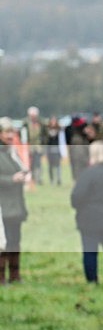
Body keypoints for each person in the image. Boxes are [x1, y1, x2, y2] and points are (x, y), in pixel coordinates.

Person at [70, 141, 103, 284]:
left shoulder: (88, 174)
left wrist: (78, 206)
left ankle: (92, 280)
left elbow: (77, 196)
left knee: (90, 250)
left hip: (89, 217)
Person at [0, 118, 29, 284]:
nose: (10, 136)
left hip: (16, 206)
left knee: (15, 241)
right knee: (3, 243)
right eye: (7, 132)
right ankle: (1, 277)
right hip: (3, 207)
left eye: (12, 132)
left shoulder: (12, 152)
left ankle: (15, 275)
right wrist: (11, 179)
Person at [22, 106, 44, 184]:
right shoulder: (25, 123)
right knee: (29, 164)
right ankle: (30, 178)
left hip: (38, 147)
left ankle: (38, 179)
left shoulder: (41, 123)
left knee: (38, 164)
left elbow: (44, 134)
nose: (33, 117)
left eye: (34, 115)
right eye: (32, 115)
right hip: (28, 147)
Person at [68, 116, 91, 182]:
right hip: (80, 166)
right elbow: (79, 155)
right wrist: (87, 161)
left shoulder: (83, 138)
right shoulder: (78, 139)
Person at [45, 116, 63, 185]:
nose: (53, 122)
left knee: (58, 166)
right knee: (50, 166)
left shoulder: (59, 130)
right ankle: (52, 180)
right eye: (52, 121)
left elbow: (62, 141)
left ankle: (59, 179)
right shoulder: (47, 130)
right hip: (50, 150)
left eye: (54, 121)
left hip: (57, 150)